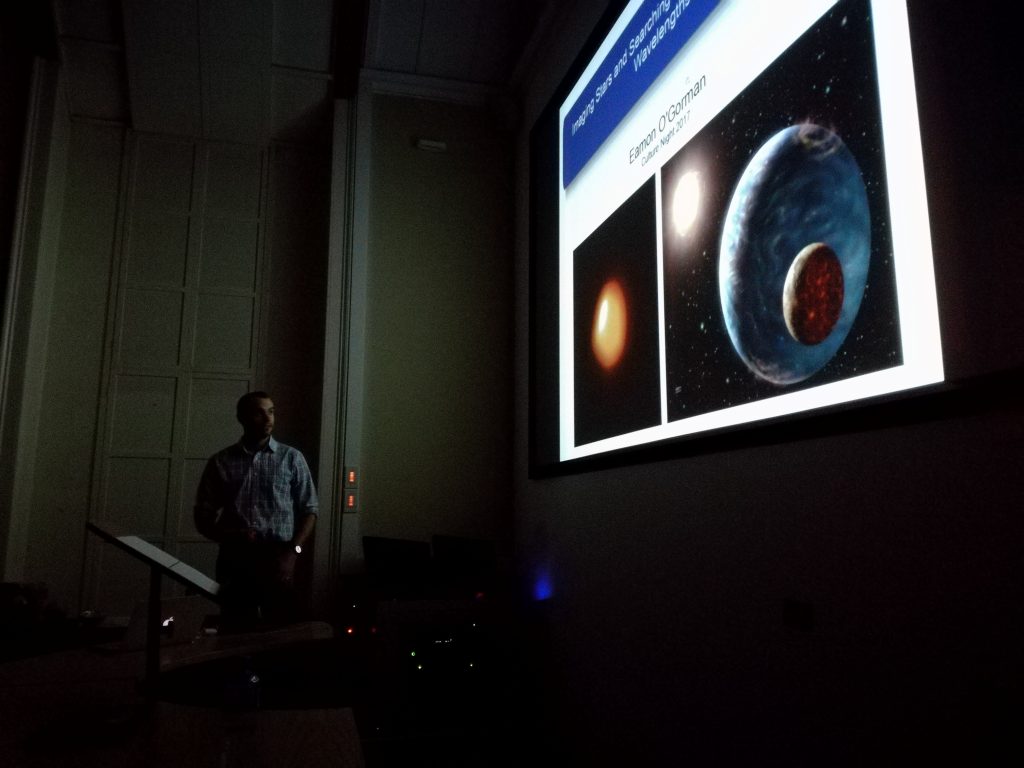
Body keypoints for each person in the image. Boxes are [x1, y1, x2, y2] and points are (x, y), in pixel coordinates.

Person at [194, 391, 318, 628]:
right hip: (236, 557)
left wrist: (293, 553)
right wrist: (229, 535)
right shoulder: (221, 461)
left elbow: (310, 510)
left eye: (271, 411)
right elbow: (203, 516)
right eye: (259, 413)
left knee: (280, 630)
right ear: (242, 418)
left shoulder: (291, 458)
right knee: (236, 629)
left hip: (279, 555)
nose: (268, 418)